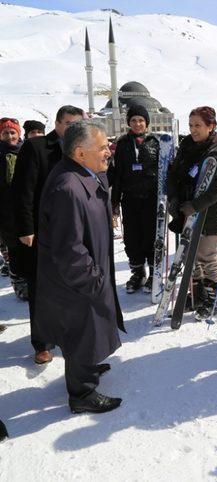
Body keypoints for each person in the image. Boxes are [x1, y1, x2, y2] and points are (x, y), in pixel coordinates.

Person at [35, 120, 124, 413]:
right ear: (79, 152)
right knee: (81, 330)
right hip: (76, 282)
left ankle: (85, 369)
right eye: (101, 147)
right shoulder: (67, 187)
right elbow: (69, 249)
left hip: (85, 276)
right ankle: (81, 394)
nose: (108, 151)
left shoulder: (85, 175)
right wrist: (94, 280)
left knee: (89, 331)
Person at [11, 105, 84, 364]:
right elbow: (23, 191)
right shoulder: (37, 147)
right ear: (57, 123)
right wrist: (26, 228)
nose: (73, 128)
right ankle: (42, 342)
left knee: (70, 285)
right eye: (68, 123)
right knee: (41, 288)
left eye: (78, 124)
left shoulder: (81, 148)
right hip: (41, 232)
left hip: (71, 230)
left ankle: (66, 334)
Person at [167, 106, 217, 320]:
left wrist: (196, 205)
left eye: (198, 125)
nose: (193, 130)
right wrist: (174, 198)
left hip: (211, 212)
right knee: (190, 257)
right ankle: (198, 295)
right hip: (187, 210)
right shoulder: (187, 145)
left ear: (210, 126)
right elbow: (174, 175)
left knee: (206, 256)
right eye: (191, 125)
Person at [111, 105, 159, 294]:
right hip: (130, 199)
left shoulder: (156, 142)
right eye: (133, 120)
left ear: (146, 122)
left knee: (151, 237)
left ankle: (155, 273)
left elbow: (165, 171)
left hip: (151, 199)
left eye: (141, 120)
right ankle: (138, 273)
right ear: (128, 123)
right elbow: (117, 174)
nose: (137, 124)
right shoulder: (122, 143)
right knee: (132, 238)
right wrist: (114, 201)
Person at [0, 117, 27, 298]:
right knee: (15, 248)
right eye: (5, 133)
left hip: (26, 208)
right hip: (5, 211)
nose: (9, 136)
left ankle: (33, 279)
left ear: (19, 134)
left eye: (12, 132)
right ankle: (19, 283)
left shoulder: (27, 152)